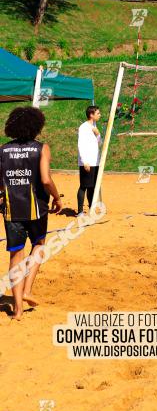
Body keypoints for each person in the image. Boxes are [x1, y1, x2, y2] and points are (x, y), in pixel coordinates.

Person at [0, 106, 63, 319]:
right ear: (36, 125)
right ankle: (27, 290)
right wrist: (57, 197)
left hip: (11, 209)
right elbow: (45, 179)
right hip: (36, 208)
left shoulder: (3, 149)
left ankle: (17, 310)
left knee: (15, 255)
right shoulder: (41, 148)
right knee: (38, 246)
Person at [77, 105, 101, 215]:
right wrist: (84, 161)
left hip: (95, 161)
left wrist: (98, 134)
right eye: (98, 113)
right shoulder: (83, 127)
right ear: (91, 115)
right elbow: (80, 145)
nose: (100, 115)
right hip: (86, 162)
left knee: (92, 187)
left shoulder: (95, 126)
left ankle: (91, 208)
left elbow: (99, 144)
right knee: (84, 186)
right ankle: (80, 211)